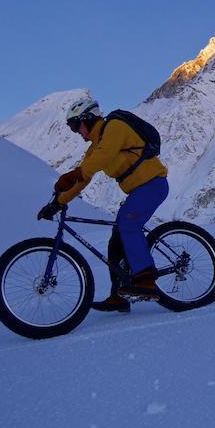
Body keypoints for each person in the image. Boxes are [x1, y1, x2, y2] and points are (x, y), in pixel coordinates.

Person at [37, 98, 168, 313]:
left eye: (75, 125)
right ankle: (118, 296)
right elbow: (84, 177)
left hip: (153, 184)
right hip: (138, 191)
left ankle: (146, 281)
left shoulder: (114, 127)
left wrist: (76, 173)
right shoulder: (94, 147)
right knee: (115, 243)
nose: (75, 132)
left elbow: (103, 155)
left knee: (127, 224)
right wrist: (58, 202)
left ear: (87, 119)